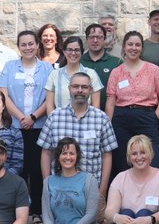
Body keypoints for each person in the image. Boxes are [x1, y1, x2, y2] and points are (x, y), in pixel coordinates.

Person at [7, 137, 102, 224]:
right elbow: (47, 215)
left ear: (77, 156)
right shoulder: (49, 181)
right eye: (64, 153)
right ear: (58, 157)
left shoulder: (89, 180)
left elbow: (91, 215)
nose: (68, 157)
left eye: (71, 153)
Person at [38, 72, 119, 210]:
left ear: (90, 90)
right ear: (69, 89)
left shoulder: (101, 118)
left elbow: (107, 155)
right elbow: (46, 153)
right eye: (76, 86)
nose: (80, 90)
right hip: (59, 189)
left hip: (91, 189)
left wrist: (103, 190)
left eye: (84, 87)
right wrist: (47, 185)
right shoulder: (55, 117)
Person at [0, 30, 53, 217]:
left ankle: (38, 211)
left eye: (31, 43)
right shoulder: (10, 67)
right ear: (19, 47)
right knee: (17, 169)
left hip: (40, 127)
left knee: (38, 170)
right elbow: (3, 95)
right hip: (15, 127)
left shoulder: (47, 69)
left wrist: (33, 117)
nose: (28, 47)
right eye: (24, 44)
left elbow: (50, 98)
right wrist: (22, 117)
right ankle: (19, 212)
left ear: (38, 45)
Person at [106, 31, 159, 175]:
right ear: (124, 47)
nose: (133, 48)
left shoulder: (153, 70)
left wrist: (154, 117)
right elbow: (110, 101)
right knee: (122, 160)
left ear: (142, 48)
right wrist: (109, 124)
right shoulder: (116, 72)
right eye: (130, 44)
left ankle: (152, 194)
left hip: (146, 117)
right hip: (121, 119)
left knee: (151, 157)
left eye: (137, 45)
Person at [44, 35, 102, 112]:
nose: (73, 53)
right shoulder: (54, 74)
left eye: (77, 50)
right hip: (60, 122)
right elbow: (49, 105)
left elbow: (96, 106)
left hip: (85, 122)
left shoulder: (91, 74)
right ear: (64, 52)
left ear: (82, 52)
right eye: (70, 50)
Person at [82, 22, 122, 111]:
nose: (95, 40)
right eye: (92, 37)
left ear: (104, 39)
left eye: (99, 37)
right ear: (87, 39)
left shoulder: (116, 62)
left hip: (111, 114)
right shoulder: (78, 62)